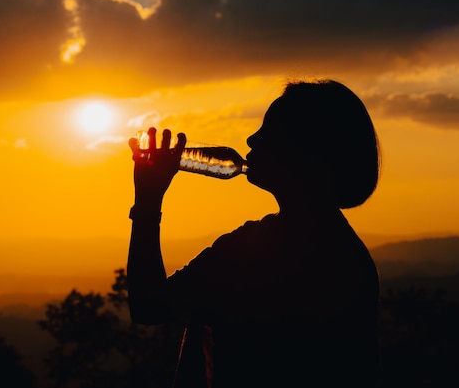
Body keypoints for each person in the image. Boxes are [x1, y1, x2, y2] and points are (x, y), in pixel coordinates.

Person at [127, 79, 381, 387]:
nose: (251, 139)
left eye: (269, 130)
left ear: (307, 151)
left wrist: (148, 201)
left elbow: (149, 305)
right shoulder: (349, 254)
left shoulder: (255, 249)